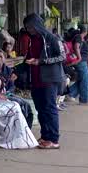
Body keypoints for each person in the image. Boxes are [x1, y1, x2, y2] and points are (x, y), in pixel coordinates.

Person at [23, 13, 64, 149]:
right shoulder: (32, 39)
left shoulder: (52, 38)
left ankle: (54, 139)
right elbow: (29, 57)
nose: (29, 30)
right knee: (40, 109)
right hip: (36, 79)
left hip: (49, 80)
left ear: (37, 25)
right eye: (27, 27)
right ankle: (45, 135)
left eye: (31, 27)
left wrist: (41, 61)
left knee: (50, 108)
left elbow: (62, 56)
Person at [0, 49, 34, 127]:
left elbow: (12, 86)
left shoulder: (8, 70)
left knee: (26, 105)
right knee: (19, 103)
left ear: (4, 58)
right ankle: (19, 127)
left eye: (1, 57)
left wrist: (8, 92)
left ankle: (26, 128)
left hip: (8, 94)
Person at [67, 28, 88, 105]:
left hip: (81, 61)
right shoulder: (79, 37)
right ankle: (84, 100)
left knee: (82, 80)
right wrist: (80, 57)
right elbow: (76, 46)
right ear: (86, 31)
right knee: (85, 80)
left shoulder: (79, 37)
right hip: (81, 62)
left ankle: (69, 93)